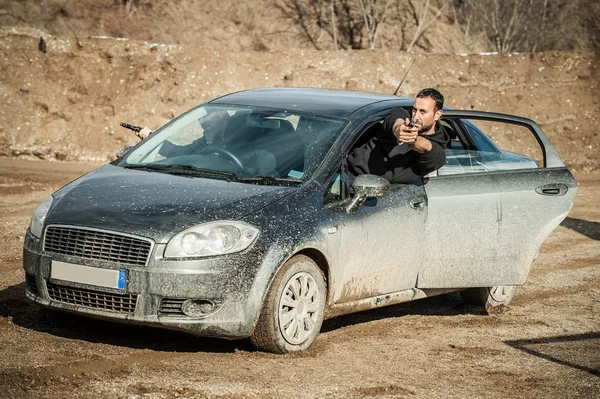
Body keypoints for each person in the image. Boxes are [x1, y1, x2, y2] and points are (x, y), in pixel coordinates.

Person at [347, 88, 449, 184]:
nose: (416, 116)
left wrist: (413, 139)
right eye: (414, 110)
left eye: (423, 112)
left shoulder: (437, 151)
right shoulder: (404, 116)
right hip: (345, 172)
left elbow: (429, 150)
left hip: (373, 191)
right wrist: (398, 128)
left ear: (437, 115)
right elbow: (395, 116)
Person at [134, 110, 278, 175]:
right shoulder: (210, 138)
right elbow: (181, 153)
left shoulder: (245, 140)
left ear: (222, 115)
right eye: (201, 118)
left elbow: (266, 169)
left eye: (206, 117)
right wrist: (153, 139)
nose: (201, 121)